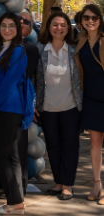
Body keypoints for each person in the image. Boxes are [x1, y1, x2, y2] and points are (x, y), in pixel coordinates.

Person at [0, 13, 31, 214]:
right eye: (3, 25)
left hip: (9, 109)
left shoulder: (18, 51)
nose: (7, 29)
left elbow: (7, 84)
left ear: (18, 30)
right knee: (5, 155)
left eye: (12, 26)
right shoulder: (1, 49)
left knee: (1, 155)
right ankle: (16, 199)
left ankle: (15, 202)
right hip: (1, 108)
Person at [35, 12, 82, 200]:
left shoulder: (75, 49)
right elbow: (35, 79)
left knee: (70, 147)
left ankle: (68, 186)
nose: (59, 28)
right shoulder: (40, 49)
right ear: (48, 27)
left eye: (63, 25)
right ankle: (58, 183)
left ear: (68, 28)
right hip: (47, 108)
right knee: (53, 146)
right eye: (55, 24)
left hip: (71, 107)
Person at [74, 4, 104, 205]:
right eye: (86, 17)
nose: (90, 21)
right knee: (95, 144)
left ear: (100, 20)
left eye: (94, 17)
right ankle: (96, 183)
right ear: (81, 20)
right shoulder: (80, 40)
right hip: (91, 98)